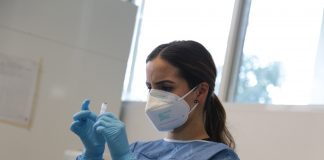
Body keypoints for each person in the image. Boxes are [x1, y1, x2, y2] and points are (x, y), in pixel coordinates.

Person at [70, 40, 240, 160]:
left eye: (166, 88)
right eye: (150, 88)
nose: (154, 98)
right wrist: (92, 154)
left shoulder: (218, 156)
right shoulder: (137, 150)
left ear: (200, 91)